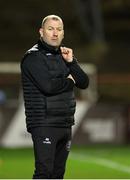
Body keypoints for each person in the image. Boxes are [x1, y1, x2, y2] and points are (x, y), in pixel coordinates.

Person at [21, 14, 89, 179]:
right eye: (50, 29)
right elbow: (48, 87)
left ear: (63, 33)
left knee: (58, 174)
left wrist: (72, 62)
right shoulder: (32, 57)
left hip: (65, 124)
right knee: (44, 173)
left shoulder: (64, 56)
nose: (55, 33)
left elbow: (84, 82)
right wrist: (70, 81)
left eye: (59, 29)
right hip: (43, 123)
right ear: (41, 32)